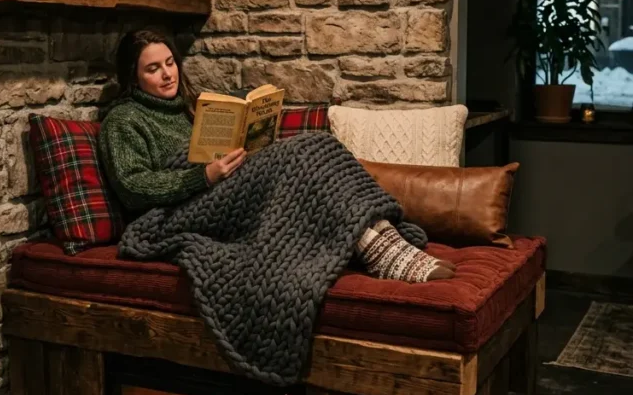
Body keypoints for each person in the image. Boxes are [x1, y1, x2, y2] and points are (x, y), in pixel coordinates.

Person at [99, 28, 455, 283]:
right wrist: (202, 176)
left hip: (221, 191)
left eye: (170, 63)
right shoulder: (123, 119)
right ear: (134, 76)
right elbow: (133, 187)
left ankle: (378, 234)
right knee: (305, 153)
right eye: (153, 68)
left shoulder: (189, 106)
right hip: (178, 212)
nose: (167, 74)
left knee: (319, 145)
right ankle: (378, 248)